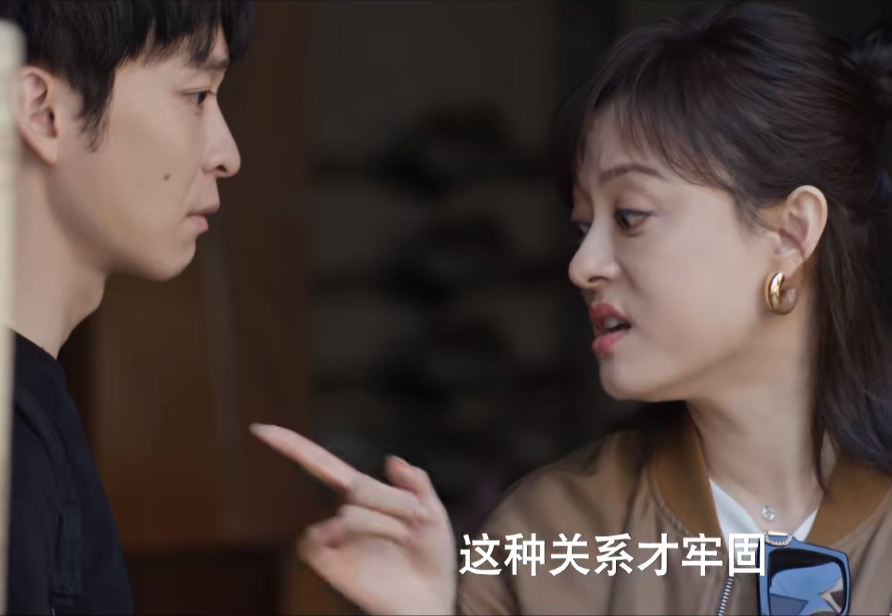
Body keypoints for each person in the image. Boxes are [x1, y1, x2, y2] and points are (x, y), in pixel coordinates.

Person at [252, 2, 892, 614]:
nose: (583, 265)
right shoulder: (548, 538)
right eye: (583, 226)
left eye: (630, 216)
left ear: (790, 234)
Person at [2, 1, 253, 612]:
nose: (227, 154)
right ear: (42, 112)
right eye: (197, 95)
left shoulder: (35, 411)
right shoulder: (11, 446)